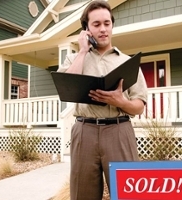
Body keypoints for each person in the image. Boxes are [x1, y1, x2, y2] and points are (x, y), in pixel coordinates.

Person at [57, 1, 147, 199]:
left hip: (119, 131)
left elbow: (139, 106)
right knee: (83, 194)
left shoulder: (127, 62)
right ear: (86, 29)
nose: (103, 29)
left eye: (107, 23)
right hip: (84, 132)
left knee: (127, 193)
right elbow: (66, 87)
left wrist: (120, 102)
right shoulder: (73, 59)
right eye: (96, 24)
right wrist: (82, 51)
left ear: (112, 25)